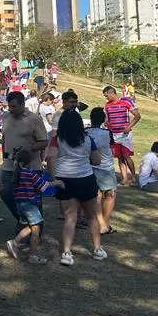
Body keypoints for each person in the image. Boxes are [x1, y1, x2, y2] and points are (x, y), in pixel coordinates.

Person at [45, 109, 106, 266]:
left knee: (69, 218)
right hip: (86, 179)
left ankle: (66, 252)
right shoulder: (87, 139)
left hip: (65, 180)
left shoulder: (56, 139)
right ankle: (98, 249)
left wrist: (54, 178)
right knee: (92, 216)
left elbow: (51, 157)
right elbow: (97, 160)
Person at [5, 152, 63, 264]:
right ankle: (32, 255)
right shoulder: (30, 174)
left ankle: (15, 243)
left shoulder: (16, 174)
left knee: (31, 227)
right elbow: (43, 186)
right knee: (36, 230)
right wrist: (57, 183)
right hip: (29, 204)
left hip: (20, 204)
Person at [0, 91, 48, 224]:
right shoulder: (5, 117)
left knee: (32, 199)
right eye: (9, 106)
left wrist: (28, 150)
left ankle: (37, 228)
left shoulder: (34, 119)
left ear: (22, 104)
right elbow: (4, 137)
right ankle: (23, 221)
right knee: (5, 193)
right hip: (9, 164)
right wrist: (4, 155)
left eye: (14, 106)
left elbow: (44, 141)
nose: (11, 109)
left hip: (30, 166)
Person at [87, 107, 117, 235]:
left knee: (97, 196)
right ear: (103, 119)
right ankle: (105, 223)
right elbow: (112, 147)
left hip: (90, 166)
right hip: (106, 167)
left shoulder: (85, 132)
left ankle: (101, 223)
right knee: (110, 195)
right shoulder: (107, 133)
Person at [103, 85, 141, 187]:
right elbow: (107, 118)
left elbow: (137, 115)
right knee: (119, 157)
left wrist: (129, 127)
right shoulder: (107, 105)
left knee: (126, 155)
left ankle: (133, 177)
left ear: (112, 93)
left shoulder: (125, 102)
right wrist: (106, 123)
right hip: (113, 134)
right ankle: (124, 178)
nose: (106, 98)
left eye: (107, 96)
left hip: (125, 134)